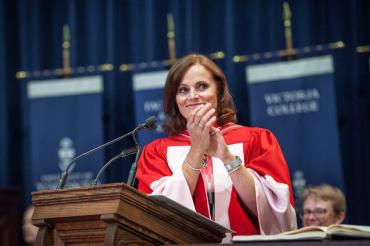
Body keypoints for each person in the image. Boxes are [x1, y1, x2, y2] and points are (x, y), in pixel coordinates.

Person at [136, 53, 297, 235]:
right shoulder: (156, 153)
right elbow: (156, 218)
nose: (193, 96)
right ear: (175, 99)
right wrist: (196, 150)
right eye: (183, 90)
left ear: (218, 91)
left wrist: (227, 158)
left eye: (202, 86)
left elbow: (276, 213)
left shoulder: (256, 140)